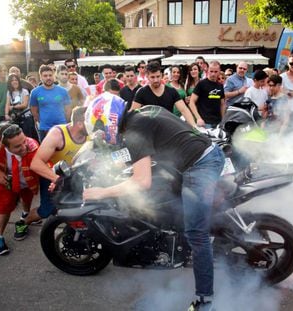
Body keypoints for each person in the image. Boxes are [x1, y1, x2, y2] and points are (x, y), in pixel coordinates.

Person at [82, 93, 225, 311]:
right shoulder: (143, 112)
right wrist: (104, 163)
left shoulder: (134, 131)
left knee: (196, 234)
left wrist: (102, 192)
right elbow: (137, 152)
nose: (101, 134)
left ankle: (205, 301)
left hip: (200, 164)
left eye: (100, 128)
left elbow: (141, 181)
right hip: (196, 156)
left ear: (109, 120)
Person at [15, 106, 89, 239]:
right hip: (52, 174)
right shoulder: (58, 134)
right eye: (89, 121)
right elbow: (36, 164)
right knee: (46, 211)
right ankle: (23, 221)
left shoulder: (90, 133)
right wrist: (59, 180)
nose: (93, 124)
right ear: (79, 123)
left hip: (73, 175)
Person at [0, 124, 39, 255]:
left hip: (27, 179)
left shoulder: (33, 146)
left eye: (24, 141)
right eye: (17, 146)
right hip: (7, 180)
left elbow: (41, 164)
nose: (24, 147)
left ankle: (25, 216)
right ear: (5, 146)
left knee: (27, 197)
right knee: (3, 206)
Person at [131, 61, 196, 127]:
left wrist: (194, 127)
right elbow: (133, 113)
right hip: (149, 132)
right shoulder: (142, 92)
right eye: (152, 77)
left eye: (158, 76)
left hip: (168, 130)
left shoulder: (171, 91)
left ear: (161, 75)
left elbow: (184, 110)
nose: (156, 80)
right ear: (147, 76)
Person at [30, 65, 72, 141]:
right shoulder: (35, 92)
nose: (48, 78)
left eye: (50, 75)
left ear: (54, 76)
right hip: (44, 129)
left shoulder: (63, 91)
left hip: (61, 127)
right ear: (40, 77)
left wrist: (65, 122)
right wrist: (42, 121)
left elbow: (68, 109)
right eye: (45, 76)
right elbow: (34, 111)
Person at [189, 60, 226, 128]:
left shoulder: (220, 85)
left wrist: (223, 120)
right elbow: (191, 102)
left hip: (218, 122)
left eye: (215, 71)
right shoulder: (201, 84)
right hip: (204, 123)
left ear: (219, 71)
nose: (213, 74)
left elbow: (222, 104)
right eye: (211, 71)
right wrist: (198, 118)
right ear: (208, 70)